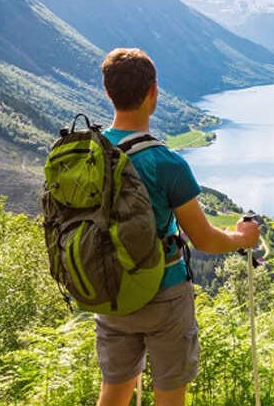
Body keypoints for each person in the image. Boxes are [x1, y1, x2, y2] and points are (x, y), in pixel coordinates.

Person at [94, 48, 260, 406]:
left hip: (109, 290)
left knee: (114, 391)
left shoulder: (91, 154)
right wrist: (241, 237)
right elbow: (204, 239)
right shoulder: (166, 162)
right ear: (153, 92)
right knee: (170, 395)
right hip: (163, 292)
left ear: (108, 92)